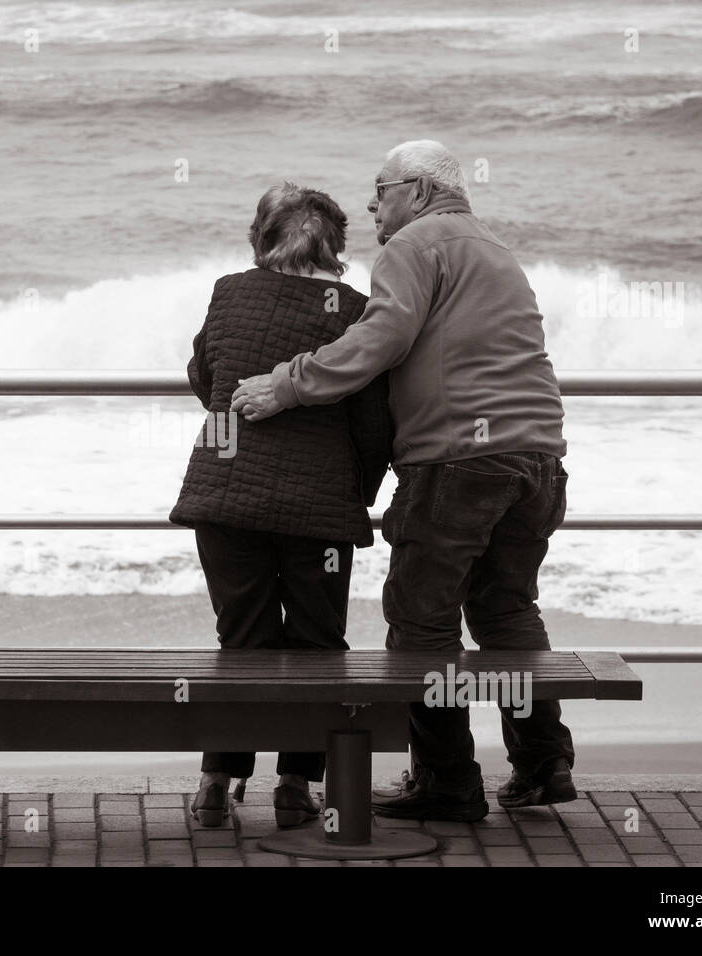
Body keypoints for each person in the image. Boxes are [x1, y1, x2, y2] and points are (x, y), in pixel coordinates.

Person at [231, 141, 575, 822]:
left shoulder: (416, 243)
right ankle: (543, 762)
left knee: (422, 628)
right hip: (539, 457)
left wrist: (287, 383)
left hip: (459, 463)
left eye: (381, 190)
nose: (371, 204)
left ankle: (448, 781)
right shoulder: (494, 250)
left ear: (416, 191)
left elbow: (382, 337)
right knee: (507, 611)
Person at [169, 182, 391, 828]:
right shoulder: (354, 309)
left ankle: (217, 783)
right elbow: (374, 423)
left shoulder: (229, 290)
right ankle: (295, 785)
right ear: (337, 246)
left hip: (223, 497)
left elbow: (204, 377)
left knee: (241, 641)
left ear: (262, 239)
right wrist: (359, 494)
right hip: (317, 511)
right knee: (319, 645)